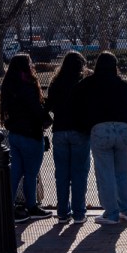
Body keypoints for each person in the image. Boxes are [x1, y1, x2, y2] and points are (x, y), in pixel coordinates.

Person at [75, 51, 127, 225]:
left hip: (100, 129)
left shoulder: (88, 84)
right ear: (115, 66)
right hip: (122, 129)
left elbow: (77, 104)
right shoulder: (123, 85)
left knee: (105, 174)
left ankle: (111, 213)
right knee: (122, 173)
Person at [0, 53, 52, 223]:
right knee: (31, 173)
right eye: (30, 63)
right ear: (25, 66)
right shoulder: (28, 86)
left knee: (15, 172)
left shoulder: (9, 85)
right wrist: (47, 119)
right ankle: (32, 206)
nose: (32, 65)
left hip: (15, 134)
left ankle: (7, 208)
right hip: (31, 134)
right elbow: (36, 109)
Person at [46, 51, 91, 225]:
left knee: (62, 174)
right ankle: (79, 213)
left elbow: (49, 105)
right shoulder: (83, 83)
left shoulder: (56, 82)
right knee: (79, 173)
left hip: (60, 130)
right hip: (80, 130)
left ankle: (63, 212)